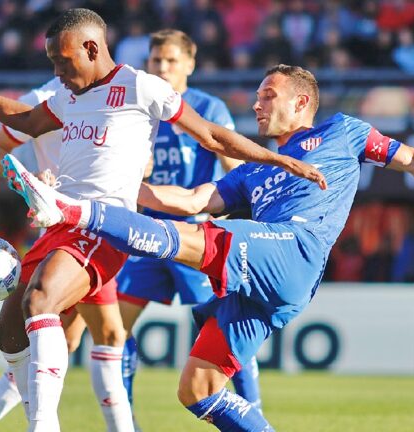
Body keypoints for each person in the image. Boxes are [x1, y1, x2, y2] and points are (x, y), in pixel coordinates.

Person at [3, 64, 414, 431]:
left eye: (266, 96)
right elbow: (190, 200)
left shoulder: (343, 132)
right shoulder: (255, 168)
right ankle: (76, 205)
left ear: (301, 101)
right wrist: (110, 188)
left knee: (195, 244)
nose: (255, 104)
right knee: (198, 390)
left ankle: (68, 213)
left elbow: (413, 161)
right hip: (270, 281)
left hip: (294, 249)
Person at [0, 9, 324, 431]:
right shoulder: (68, 97)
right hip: (59, 221)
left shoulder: (140, 86)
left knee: (42, 301)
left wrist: (278, 157)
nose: (57, 71)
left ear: (91, 48)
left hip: (104, 226)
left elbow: (210, 135)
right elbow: (24, 120)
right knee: (9, 334)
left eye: (62, 61)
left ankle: (42, 425)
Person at [0, 77, 134, 432]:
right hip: (63, 230)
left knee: (88, 335)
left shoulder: (117, 95)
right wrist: (30, 182)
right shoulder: (42, 100)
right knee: (61, 331)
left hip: (102, 225)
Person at [112, 29, 262, 412]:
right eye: (156, 60)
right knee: (114, 330)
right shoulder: (136, 111)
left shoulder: (206, 109)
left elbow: (235, 169)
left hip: (195, 237)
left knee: (222, 333)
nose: (162, 67)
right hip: (145, 233)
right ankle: (124, 419)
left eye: (171, 60)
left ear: (190, 65)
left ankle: (253, 411)